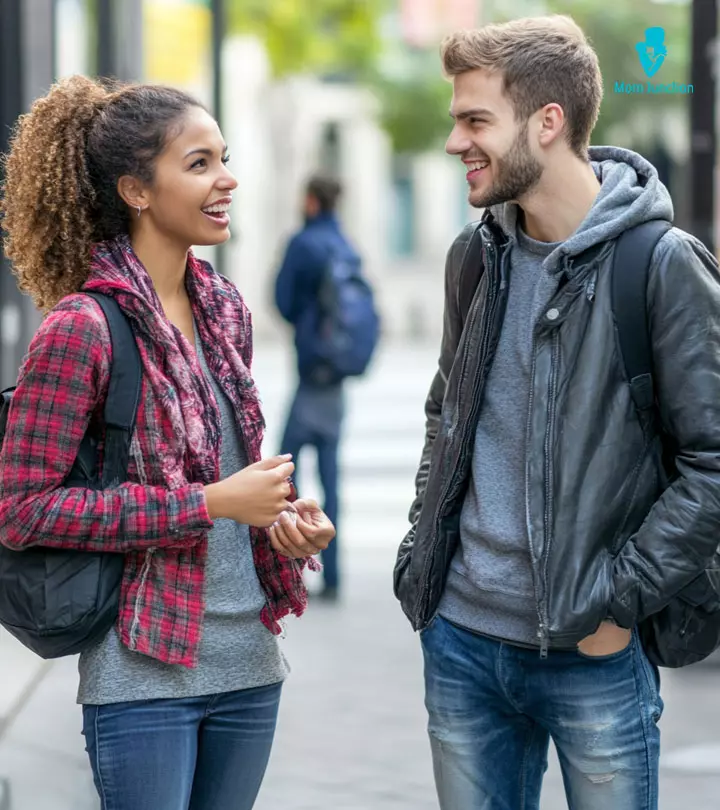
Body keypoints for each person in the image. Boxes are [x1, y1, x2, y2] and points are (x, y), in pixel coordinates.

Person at [393, 15, 720, 810]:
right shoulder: (475, 258)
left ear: (548, 123)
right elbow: (447, 414)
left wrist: (618, 600)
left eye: (475, 121)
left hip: (591, 650)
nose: (454, 142)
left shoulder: (660, 264)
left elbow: (712, 464)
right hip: (462, 641)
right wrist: (420, 557)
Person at [0, 75, 335, 810]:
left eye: (225, 157)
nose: (227, 179)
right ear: (136, 191)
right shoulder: (81, 328)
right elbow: (21, 510)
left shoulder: (223, 308)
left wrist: (280, 524)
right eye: (200, 163)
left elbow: (225, 482)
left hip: (249, 662)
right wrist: (208, 503)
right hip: (143, 672)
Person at [274, 175, 359, 602]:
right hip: (338, 379)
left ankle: (285, 568)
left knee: (282, 472)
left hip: (310, 375)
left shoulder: (304, 243)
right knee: (330, 475)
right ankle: (333, 574)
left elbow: (283, 301)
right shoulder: (345, 245)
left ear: (309, 201)